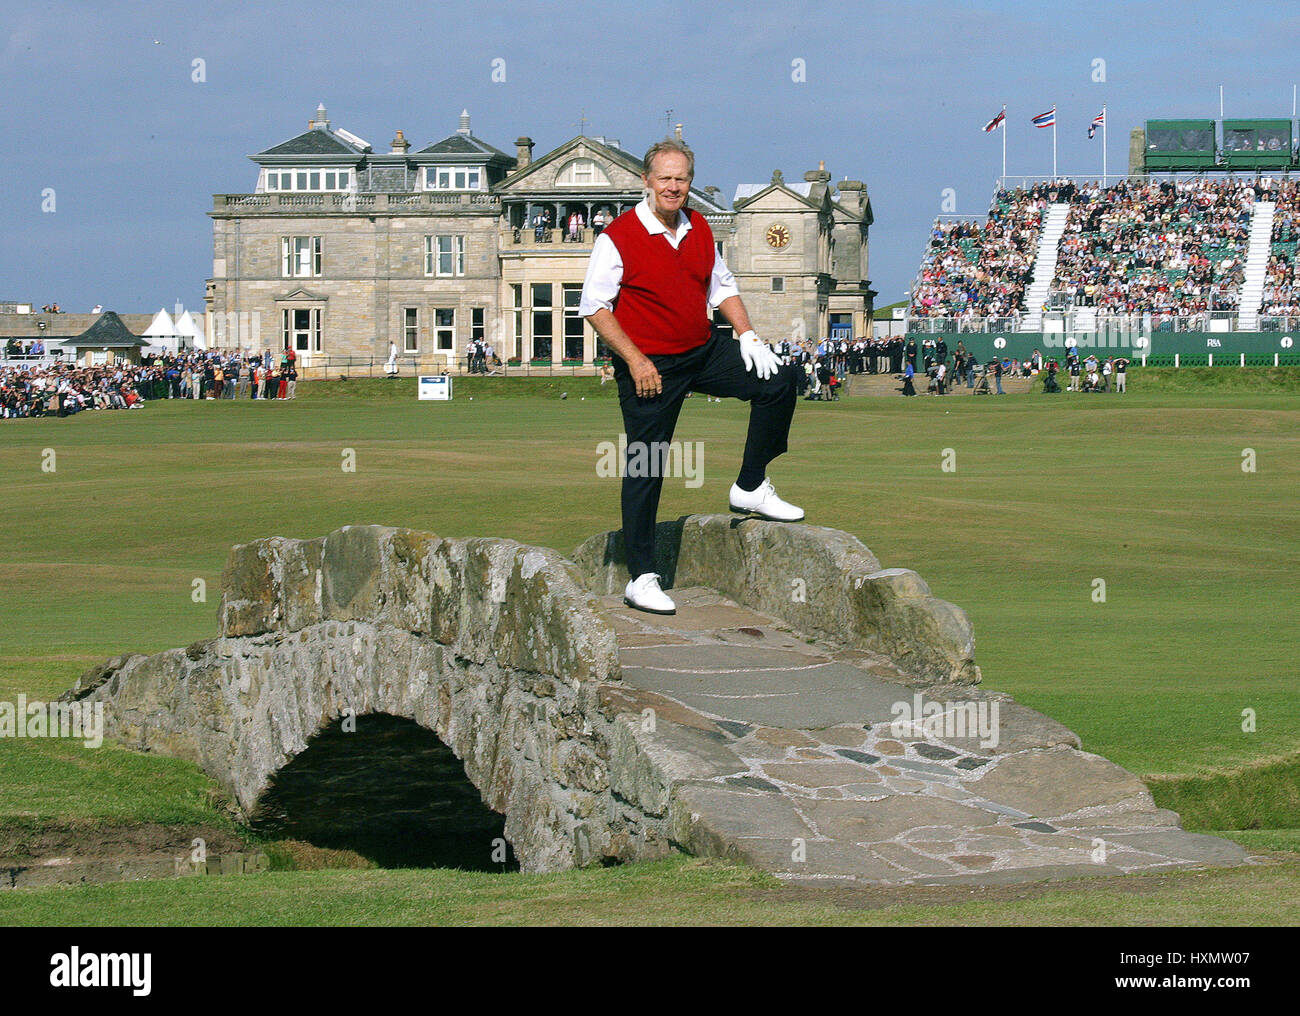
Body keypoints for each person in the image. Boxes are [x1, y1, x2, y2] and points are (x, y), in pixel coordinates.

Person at [580, 137, 801, 616]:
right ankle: (641, 576)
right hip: (650, 366)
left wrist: (747, 335)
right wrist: (636, 360)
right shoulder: (617, 236)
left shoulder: (699, 226)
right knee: (646, 464)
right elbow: (594, 307)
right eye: (665, 178)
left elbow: (723, 286)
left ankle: (749, 486)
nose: (673, 187)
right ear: (646, 181)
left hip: (702, 349)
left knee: (779, 380)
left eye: (682, 179)